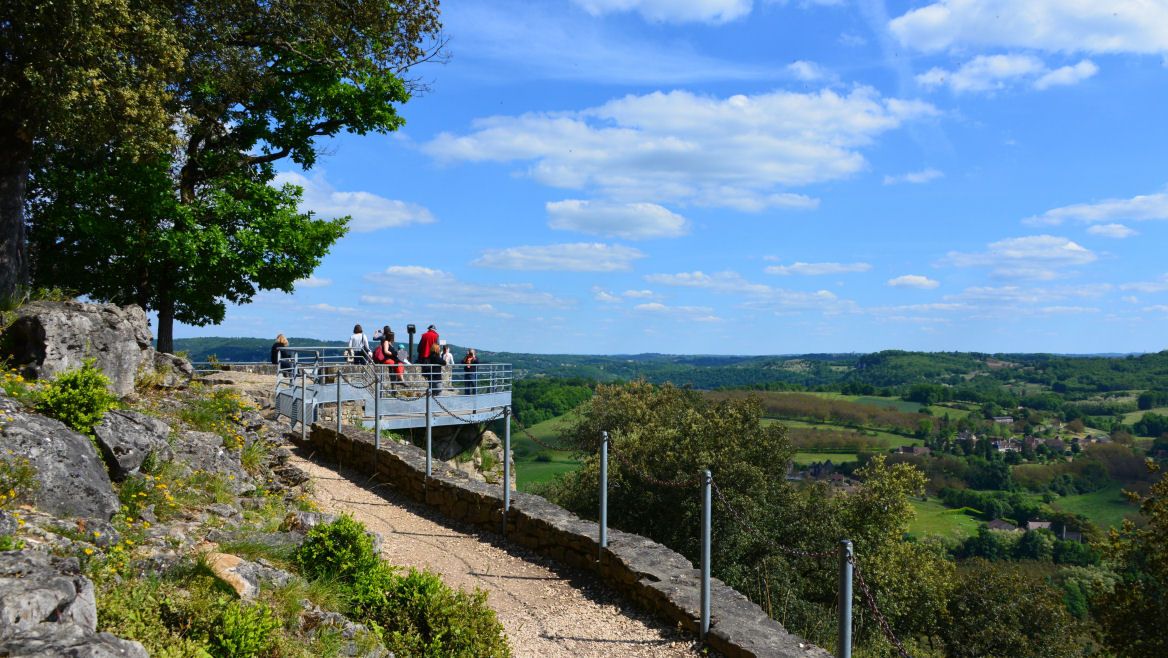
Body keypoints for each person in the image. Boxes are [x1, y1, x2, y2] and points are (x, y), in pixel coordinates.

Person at [418, 324, 441, 391]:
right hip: (434, 358)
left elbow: (419, 348)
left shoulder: (424, 335)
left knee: (428, 375)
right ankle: (434, 390)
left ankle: (430, 390)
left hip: (425, 358)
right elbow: (438, 347)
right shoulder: (436, 335)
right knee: (434, 375)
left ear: (429, 329)